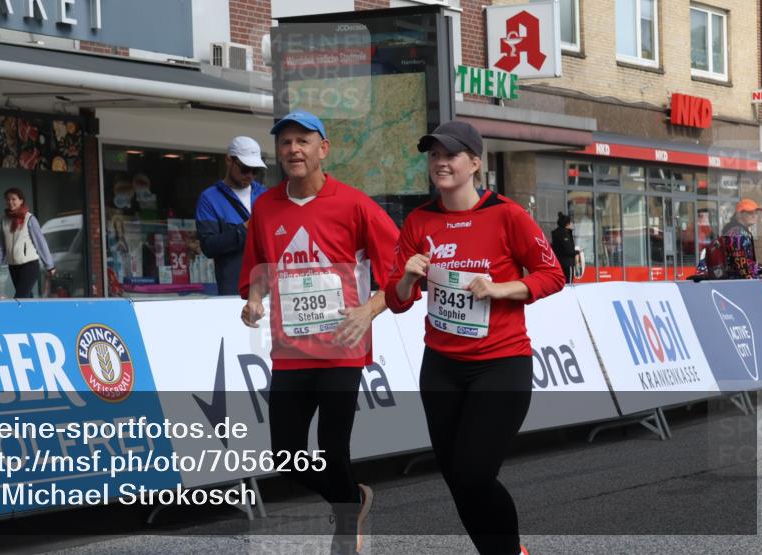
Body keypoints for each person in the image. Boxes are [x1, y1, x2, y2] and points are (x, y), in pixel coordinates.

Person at [385, 121, 564, 555]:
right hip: (442, 366)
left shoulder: (506, 214)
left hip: (500, 363)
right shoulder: (420, 220)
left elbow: (554, 275)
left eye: (451, 155)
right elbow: (395, 299)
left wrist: (501, 288)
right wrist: (407, 279)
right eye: (434, 156)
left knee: (473, 473)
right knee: (455, 477)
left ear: (475, 163)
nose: (441, 163)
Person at [239, 111, 398, 553]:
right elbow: (258, 267)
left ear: (322, 149)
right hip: (290, 352)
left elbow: (400, 272)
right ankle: (353, 498)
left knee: (332, 448)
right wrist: (254, 299)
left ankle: (346, 526)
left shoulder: (355, 204)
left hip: (342, 350)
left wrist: (369, 310)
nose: (293, 149)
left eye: (302, 141)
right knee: (285, 458)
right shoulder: (266, 207)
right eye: (285, 142)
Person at [196, 136, 268, 295]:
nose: (249, 175)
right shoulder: (209, 198)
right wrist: (244, 229)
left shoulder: (265, 195)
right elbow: (208, 246)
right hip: (234, 292)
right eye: (245, 168)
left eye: (255, 170)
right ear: (229, 160)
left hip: (268, 288)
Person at [0, 188, 56, 298]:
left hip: (29, 265)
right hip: (13, 266)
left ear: (21, 200)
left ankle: (18, 315)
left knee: (20, 298)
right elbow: (1, 244)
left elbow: (41, 243)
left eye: (14, 199)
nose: (10, 202)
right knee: (27, 298)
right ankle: (34, 315)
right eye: (8, 199)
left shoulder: (29, 219)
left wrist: (49, 266)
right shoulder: (4, 220)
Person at [719, 198, 762, 279]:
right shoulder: (738, 233)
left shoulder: (738, 231)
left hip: (735, 281)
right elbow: (740, 263)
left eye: (756, 213)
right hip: (738, 282)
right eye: (750, 212)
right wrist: (751, 280)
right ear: (739, 214)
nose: (754, 215)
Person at [549, 212, 578, 284]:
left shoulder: (556, 233)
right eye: (571, 222)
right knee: (569, 283)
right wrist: (576, 252)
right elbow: (568, 250)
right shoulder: (564, 234)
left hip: (559, 262)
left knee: (561, 283)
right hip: (567, 263)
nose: (572, 224)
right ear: (567, 224)